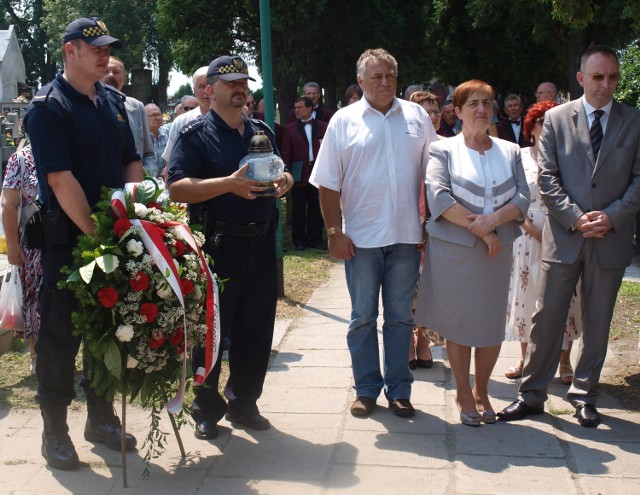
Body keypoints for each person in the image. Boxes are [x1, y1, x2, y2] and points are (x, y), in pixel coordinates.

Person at [23, 16, 143, 471]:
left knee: (109, 333)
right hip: (71, 244)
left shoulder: (113, 102)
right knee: (60, 341)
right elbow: (59, 178)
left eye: (107, 48)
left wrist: (134, 216)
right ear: (70, 50)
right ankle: (54, 430)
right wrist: (100, 239)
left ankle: (101, 418)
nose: (104, 54)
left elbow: (132, 161)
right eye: (95, 48)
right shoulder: (48, 107)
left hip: (115, 237)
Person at [498, 45, 640, 428]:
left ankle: (584, 395)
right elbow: (547, 177)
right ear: (581, 78)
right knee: (546, 319)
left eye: (612, 77)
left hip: (610, 238)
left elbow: (639, 179)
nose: (605, 84)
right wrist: (577, 219)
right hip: (564, 237)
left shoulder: (634, 121)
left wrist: (611, 217)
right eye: (598, 77)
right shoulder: (558, 119)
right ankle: (531, 395)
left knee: (597, 321)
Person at [167, 55, 293, 439]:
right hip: (218, 247)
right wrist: (228, 184)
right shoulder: (195, 136)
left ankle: (244, 402)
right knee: (211, 333)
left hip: (260, 244)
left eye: (245, 83)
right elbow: (176, 187)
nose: (241, 89)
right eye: (232, 83)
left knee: (257, 329)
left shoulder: (261, 132)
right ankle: (206, 409)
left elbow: (275, 168)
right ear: (210, 90)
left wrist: (284, 178)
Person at [310, 48, 438, 419]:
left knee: (400, 317)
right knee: (362, 317)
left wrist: (430, 222)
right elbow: (327, 183)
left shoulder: (415, 117)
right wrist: (334, 231)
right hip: (361, 239)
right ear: (361, 81)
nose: (385, 83)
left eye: (391, 76)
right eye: (377, 76)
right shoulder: (343, 121)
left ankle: (399, 389)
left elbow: (434, 174)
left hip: (406, 237)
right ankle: (366, 389)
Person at [414, 80, 530, 426]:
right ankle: (464, 392)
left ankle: (483, 391)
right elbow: (440, 199)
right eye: (473, 103)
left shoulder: (510, 151)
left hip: (497, 250)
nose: (482, 109)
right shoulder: (442, 150)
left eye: (487, 103)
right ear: (459, 111)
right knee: (461, 323)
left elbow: (522, 198)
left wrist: (493, 224)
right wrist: (482, 231)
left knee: (491, 324)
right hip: (455, 250)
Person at [504, 100, 582, 383]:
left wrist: (555, 230)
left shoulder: (569, 155)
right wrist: (528, 226)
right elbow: (511, 197)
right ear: (532, 127)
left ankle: (564, 362)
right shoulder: (519, 156)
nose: (549, 126)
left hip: (561, 232)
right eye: (542, 121)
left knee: (565, 298)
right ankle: (526, 360)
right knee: (526, 298)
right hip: (526, 234)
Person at [1, 142, 41, 375]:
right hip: (32, 245)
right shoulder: (21, 159)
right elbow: (8, 204)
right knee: (33, 302)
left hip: (63, 243)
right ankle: (36, 355)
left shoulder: (65, 151)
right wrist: (13, 244)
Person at [281, 96, 327, 251]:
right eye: (296, 107)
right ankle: (299, 240)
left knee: (316, 207)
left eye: (300, 107)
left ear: (310, 108)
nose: (297, 110)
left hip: (317, 171)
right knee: (298, 208)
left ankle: (316, 239)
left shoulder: (322, 126)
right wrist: (285, 171)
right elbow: (286, 152)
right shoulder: (290, 128)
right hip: (299, 173)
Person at [102, 56, 156, 171]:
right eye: (105, 71)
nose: (111, 75)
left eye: (116, 72)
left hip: (134, 184)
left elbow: (148, 154)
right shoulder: (88, 105)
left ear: (124, 78)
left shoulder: (137, 107)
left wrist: (146, 177)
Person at [145, 103, 170, 179]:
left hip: (166, 180)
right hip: (148, 182)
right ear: (143, 118)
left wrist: (167, 167)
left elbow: (174, 154)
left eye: (159, 114)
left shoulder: (167, 132)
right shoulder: (140, 137)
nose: (158, 118)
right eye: (153, 115)